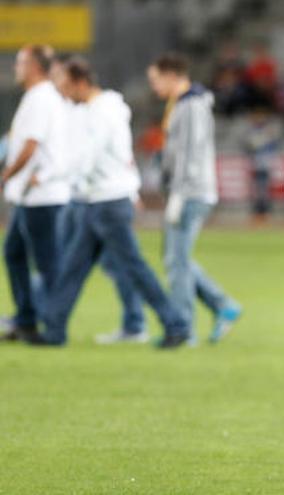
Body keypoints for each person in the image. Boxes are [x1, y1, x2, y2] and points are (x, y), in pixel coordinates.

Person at [26, 58, 189, 348]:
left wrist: (49, 176)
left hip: (109, 203)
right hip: (96, 201)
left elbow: (88, 156)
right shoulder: (98, 109)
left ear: (80, 82)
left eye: (64, 85)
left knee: (133, 268)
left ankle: (175, 325)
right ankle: (53, 330)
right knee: (72, 269)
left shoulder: (102, 113)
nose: (62, 92)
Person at [49, 55, 150, 344]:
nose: (59, 87)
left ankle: (144, 322)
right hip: (80, 195)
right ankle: (50, 323)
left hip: (95, 197)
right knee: (77, 263)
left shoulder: (100, 109)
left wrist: (131, 190)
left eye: (62, 80)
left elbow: (115, 154)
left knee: (115, 264)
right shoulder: (74, 108)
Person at [147, 53, 241, 344]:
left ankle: (184, 329)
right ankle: (222, 305)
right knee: (177, 259)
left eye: (155, 79)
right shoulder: (185, 103)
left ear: (171, 75)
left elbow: (189, 152)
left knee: (176, 262)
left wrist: (178, 192)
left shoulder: (190, 105)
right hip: (188, 190)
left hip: (190, 191)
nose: (153, 86)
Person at [0, 45, 69, 342]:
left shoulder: (41, 99)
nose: (17, 68)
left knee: (48, 263)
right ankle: (26, 318)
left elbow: (31, 145)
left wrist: (5, 175)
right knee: (14, 252)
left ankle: (54, 327)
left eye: (21, 63)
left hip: (42, 195)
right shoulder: (37, 97)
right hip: (28, 194)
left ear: (35, 67)